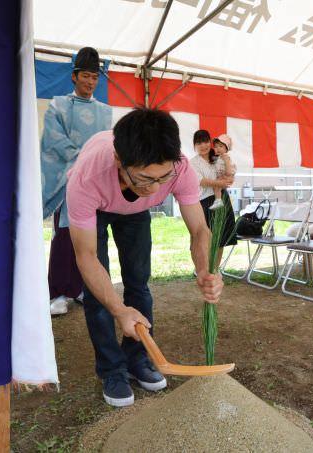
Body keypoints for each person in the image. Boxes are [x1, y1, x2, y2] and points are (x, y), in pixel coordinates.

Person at [66, 109, 222, 407]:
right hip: (97, 207)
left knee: (139, 283)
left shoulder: (180, 169)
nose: (154, 188)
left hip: (135, 214)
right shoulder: (88, 177)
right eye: (144, 179)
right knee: (99, 297)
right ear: (119, 162)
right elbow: (85, 256)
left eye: (163, 178)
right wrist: (118, 309)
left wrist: (205, 270)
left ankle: (138, 359)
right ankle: (112, 369)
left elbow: (200, 229)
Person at [41, 47, 112, 316]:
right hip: (67, 181)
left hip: (95, 183)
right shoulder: (58, 105)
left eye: (95, 77)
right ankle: (58, 292)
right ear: (74, 76)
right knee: (64, 237)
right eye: (85, 76)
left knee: (91, 237)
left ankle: (83, 286)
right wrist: (82, 160)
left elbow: (109, 144)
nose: (90, 82)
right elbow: (52, 140)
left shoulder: (105, 112)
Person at [190, 130, 238, 268]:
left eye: (205, 141)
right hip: (204, 201)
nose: (203, 145)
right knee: (203, 237)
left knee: (220, 237)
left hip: (222, 198)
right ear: (195, 145)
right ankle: (202, 269)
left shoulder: (218, 155)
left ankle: (215, 269)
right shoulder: (193, 162)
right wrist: (220, 183)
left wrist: (229, 178)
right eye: (199, 143)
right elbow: (200, 181)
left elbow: (230, 172)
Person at [208, 134, 236, 210]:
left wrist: (226, 176)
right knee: (216, 186)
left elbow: (229, 171)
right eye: (216, 146)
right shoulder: (219, 157)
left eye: (220, 146)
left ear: (226, 148)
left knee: (216, 185)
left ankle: (218, 201)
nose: (218, 148)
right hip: (224, 176)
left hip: (227, 177)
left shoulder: (225, 157)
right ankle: (218, 200)